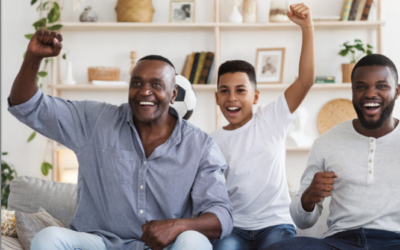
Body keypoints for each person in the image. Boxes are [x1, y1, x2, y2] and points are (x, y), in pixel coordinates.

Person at [8, 29, 233, 250]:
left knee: (195, 242)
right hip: (100, 243)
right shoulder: (94, 121)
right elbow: (26, 105)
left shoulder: (200, 145)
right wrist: (33, 58)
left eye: (156, 85)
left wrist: (176, 226)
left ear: (174, 94)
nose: (145, 91)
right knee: (47, 238)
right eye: (137, 83)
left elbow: (221, 216)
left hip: (163, 247)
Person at [266, 54, 400, 250]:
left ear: (397, 91)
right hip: (340, 243)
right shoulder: (326, 142)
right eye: (361, 86)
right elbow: (301, 221)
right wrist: (308, 197)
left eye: (381, 86)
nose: (371, 93)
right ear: (352, 91)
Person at [211, 3, 315, 250]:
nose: (232, 98)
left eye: (240, 91)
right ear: (216, 98)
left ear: (255, 97)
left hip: (276, 224)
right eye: (224, 91)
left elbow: (306, 80)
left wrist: (307, 27)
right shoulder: (211, 141)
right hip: (233, 227)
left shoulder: (272, 118)